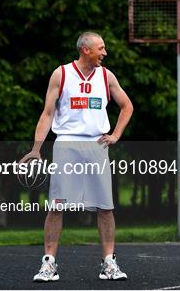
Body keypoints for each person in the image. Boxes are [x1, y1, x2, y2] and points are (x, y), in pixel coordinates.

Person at [20, 31, 133, 282]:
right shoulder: (61, 74)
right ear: (86, 50)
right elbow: (47, 114)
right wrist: (36, 149)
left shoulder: (106, 76)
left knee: (105, 207)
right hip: (66, 145)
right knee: (57, 205)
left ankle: (108, 263)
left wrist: (115, 134)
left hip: (96, 145)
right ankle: (48, 263)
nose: (105, 53)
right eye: (101, 48)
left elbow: (127, 106)